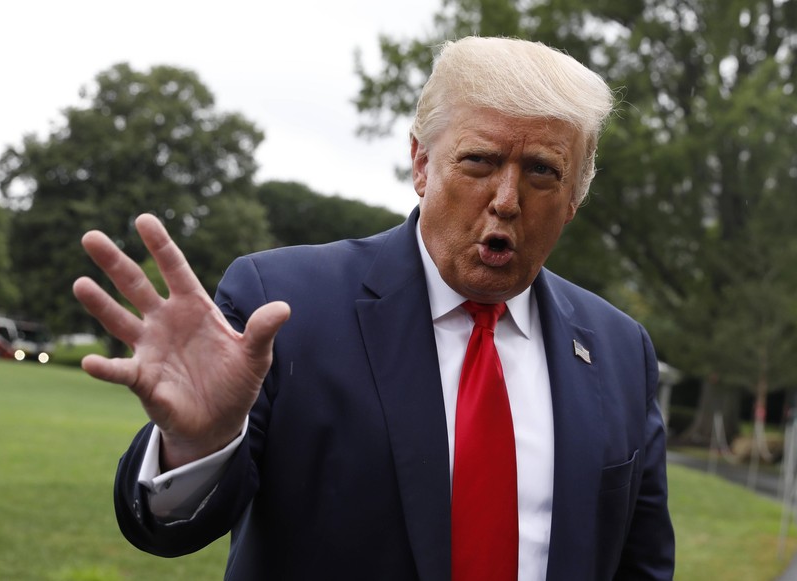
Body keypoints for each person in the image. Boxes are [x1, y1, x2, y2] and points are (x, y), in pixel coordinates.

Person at [74, 36, 674, 580]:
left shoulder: (620, 350)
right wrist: (200, 444)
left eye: (542, 170)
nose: (507, 200)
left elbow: (640, 566)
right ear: (421, 163)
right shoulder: (284, 304)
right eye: (479, 161)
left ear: (575, 196)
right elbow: (166, 529)